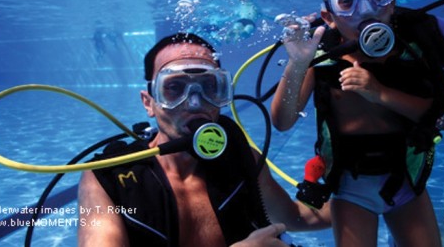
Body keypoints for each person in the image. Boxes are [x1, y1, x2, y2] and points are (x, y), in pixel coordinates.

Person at [271, 0, 444, 247]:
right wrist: (297, 63)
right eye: (348, 0)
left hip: (407, 184)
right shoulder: (320, 59)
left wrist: (380, 93)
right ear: (329, 17)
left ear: (392, 0)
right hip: (350, 191)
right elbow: (282, 122)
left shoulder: (415, 51)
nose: (366, 9)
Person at [78, 32, 331, 247]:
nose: (195, 102)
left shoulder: (243, 160)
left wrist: (362, 199)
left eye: (210, 87)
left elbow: (297, 218)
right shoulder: (106, 178)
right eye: (175, 88)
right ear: (149, 103)